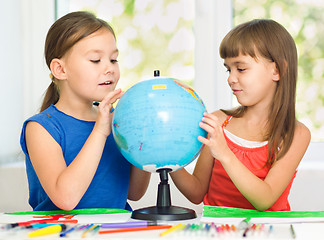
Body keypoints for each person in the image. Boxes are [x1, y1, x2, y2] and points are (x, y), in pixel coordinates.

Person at [170, 19, 311, 211]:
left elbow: (264, 199)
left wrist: (225, 154)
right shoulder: (219, 122)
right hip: (217, 231)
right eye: (228, 69)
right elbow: (196, 192)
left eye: (241, 69)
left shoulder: (296, 134)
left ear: (277, 70)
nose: (230, 78)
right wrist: (167, 156)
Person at [20, 11, 151, 211]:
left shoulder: (117, 120)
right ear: (60, 70)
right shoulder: (40, 128)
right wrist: (100, 130)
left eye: (114, 59)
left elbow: (134, 191)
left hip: (114, 229)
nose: (109, 68)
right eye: (96, 60)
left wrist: (143, 138)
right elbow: (66, 199)